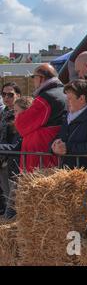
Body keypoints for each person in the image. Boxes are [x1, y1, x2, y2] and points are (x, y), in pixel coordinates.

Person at [15, 64, 67, 172]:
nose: (33, 81)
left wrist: (19, 117)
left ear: (40, 78)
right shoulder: (65, 92)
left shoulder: (47, 97)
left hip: (42, 155)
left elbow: (22, 124)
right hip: (54, 150)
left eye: (33, 77)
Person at [51, 80, 87, 171]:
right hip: (68, 172)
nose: (67, 103)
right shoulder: (68, 117)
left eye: (69, 99)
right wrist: (53, 147)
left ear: (81, 98)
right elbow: (58, 138)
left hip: (86, 174)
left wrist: (67, 148)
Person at [0, 96, 33, 219]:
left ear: (26, 111)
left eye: (16, 111)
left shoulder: (27, 128)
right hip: (14, 169)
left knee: (12, 211)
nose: (14, 114)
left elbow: (15, 147)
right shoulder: (18, 126)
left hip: (22, 172)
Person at [0, 83, 21, 213]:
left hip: (13, 159)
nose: (6, 97)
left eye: (10, 94)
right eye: (3, 94)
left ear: (18, 95)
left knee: (14, 197)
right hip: (3, 157)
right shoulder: (4, 112)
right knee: (7, 194)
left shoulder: (20, 114)